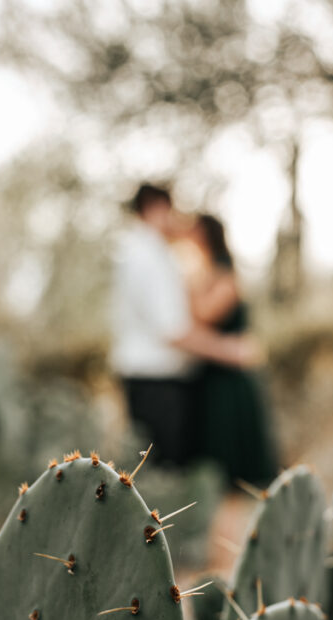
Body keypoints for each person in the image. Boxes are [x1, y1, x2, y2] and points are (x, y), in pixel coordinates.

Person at [111, 183, 258, 467]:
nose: (177, 218)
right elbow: (172, 330)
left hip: (162, 381)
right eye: (172, 209)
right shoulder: (146, 255)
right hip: (156, 383)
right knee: (164, 476)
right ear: (156, 208)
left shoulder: (149, 252)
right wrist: (228, 350)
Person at [187, 213, 277, 487]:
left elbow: (205, 314)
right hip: (214, 378)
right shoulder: (208, 271)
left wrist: (183, 285)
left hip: (230, 384)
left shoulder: (223, 272)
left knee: (232, 470)